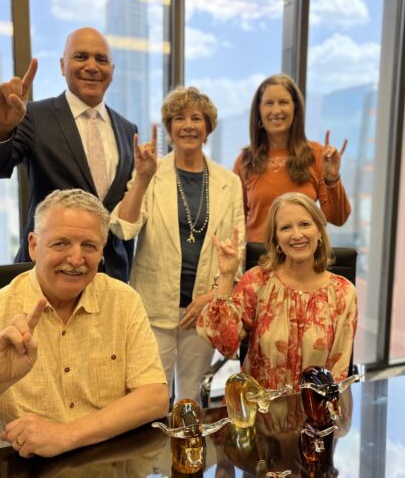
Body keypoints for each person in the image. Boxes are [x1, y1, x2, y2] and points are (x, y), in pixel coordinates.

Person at [0, 189, 168, 464]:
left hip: (103, 462)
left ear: (102, 251)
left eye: (89, 246)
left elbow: (154, 397)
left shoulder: (124, 301)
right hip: (17, 466)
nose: (76, 259)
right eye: (61, 244)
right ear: (34, 245)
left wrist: (65, 435)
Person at [0, 27, 136, 282]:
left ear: (112, 70)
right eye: (81, 57)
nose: (92, 66)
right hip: (48, 274)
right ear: (62, 65)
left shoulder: (127, 129)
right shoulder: (33, 116)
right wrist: (0, 128)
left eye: (101, 59)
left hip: (110, 277)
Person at [110, 86, 245, 401]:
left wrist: (210, 297)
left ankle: (187, 450)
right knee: (150, 398)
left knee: (190, 399)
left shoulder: (230, 182)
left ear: (208, 128)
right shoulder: (151, 174)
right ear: (169, 128)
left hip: (202, 308)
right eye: (179, 118)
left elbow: (236, 251)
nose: (188, 125)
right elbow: (124, 228)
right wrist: (142, 179)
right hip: (155, 306)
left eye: (196, 118)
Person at [197, 192, 357, 390]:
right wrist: (227, 276)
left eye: (305, 224)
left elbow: (338, 372)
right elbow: (224, 342)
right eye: (285, 227)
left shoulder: (344, 292)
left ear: (319, 232)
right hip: (259, 411)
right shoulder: (258, 282)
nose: (297, 235)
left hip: (314, 413)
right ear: (276, 239)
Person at [233, 74, 351, 242]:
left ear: (295, 110)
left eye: (283, 102)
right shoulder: (245, 161)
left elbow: (338, 219)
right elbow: (235, 223)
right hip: (258, 261)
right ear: (259, 112)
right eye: (269, 103)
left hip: (303, 259)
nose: (276, 110)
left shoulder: (317, 155)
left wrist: (332, 179)